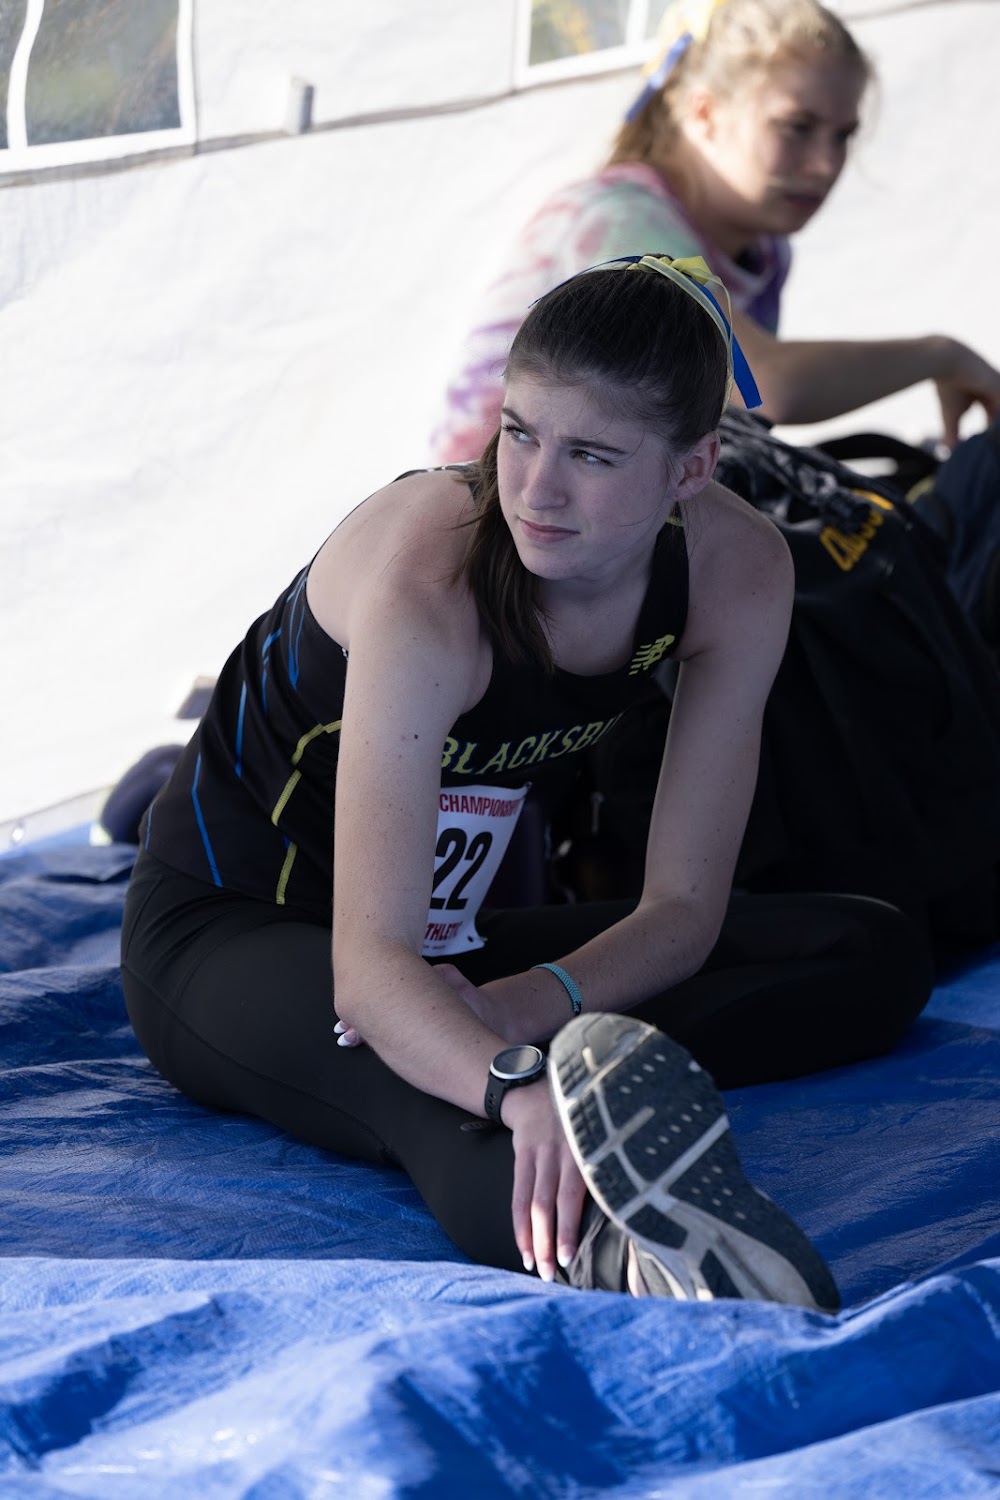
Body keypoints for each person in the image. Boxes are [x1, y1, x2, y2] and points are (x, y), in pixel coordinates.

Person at [120, 255, 933, 1312]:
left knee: (867, 948)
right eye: (519, 433)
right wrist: (510, 1078)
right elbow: (369, 975)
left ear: (691, 469)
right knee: (453, 1110)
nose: (537, 491)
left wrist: (522, 1004)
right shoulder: (433, 576)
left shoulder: (736, 571)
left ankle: (598, 1091)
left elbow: (683, 910)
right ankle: (651, 1260)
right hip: (240, 932)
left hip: (449, 948)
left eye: (591, 455)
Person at [429, 0, 1000, 467]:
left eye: (843, 135)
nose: (827, 164)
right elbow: (761, 387)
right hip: (496, 536)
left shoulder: (764, 251)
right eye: (797, 127)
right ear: (704, 114)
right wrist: (941, 356)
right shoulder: (621, 220)